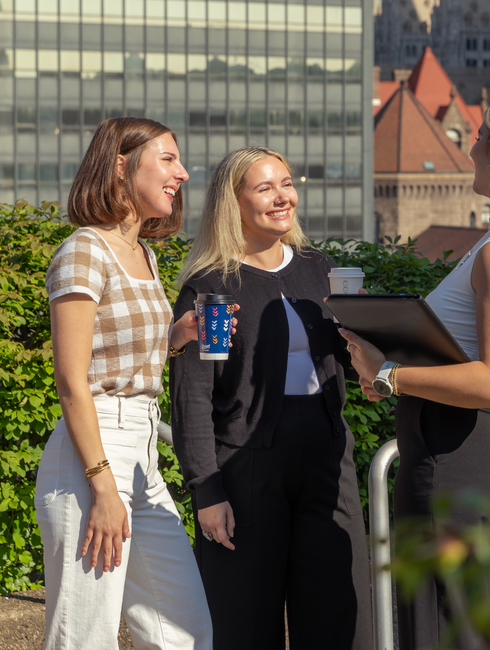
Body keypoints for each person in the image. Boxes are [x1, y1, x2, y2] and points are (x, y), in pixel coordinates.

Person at [340, 94, 490, 650]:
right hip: (457, 450)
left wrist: (391, 374)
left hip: (460, 455)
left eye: (476, 139)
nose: (467, 149)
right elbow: (466, 353)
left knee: (445, 629)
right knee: (446, 626)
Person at [170, 147, 373, 650]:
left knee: (337, 613)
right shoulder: (214, 288)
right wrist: (207, 489)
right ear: (232, 203)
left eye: (287, 183)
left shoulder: (318, 269)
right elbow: (193, 395)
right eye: (265, 188)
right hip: (246, 471)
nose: (283, 197)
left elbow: (348, 362)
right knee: (244, 621)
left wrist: (371, 340)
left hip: (327, 462)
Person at [37, 117, 214, 649]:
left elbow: (119, 356)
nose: (182, 173)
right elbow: (72, 380)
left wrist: (176, 338)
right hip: (94, 454)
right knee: (83, 637)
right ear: (121, 165)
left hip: (143, 456)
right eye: (167, 159)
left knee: (182, 632)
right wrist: (101, 483)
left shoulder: (146, 255)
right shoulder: (84, 250)